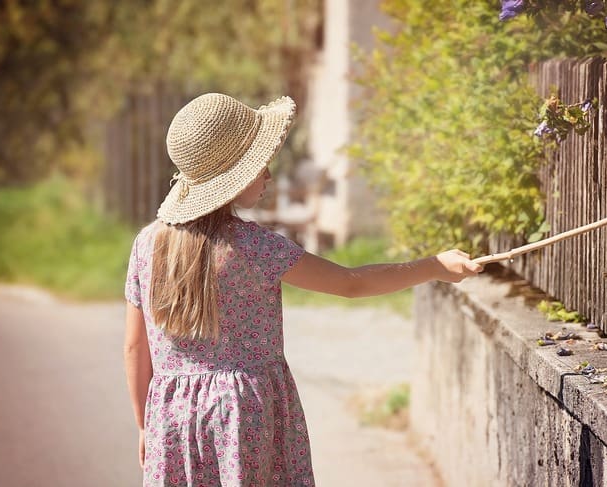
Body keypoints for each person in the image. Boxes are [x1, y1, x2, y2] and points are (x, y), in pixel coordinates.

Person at [123, 93, 483, 487]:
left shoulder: (147, 244)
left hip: (169, 414)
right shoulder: (255, 247)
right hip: (243, 415)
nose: (269, 176)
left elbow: (134, 347)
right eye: (261, 166)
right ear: (234, 177)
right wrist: (433, 266)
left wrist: (145, 424)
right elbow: (351, 283)